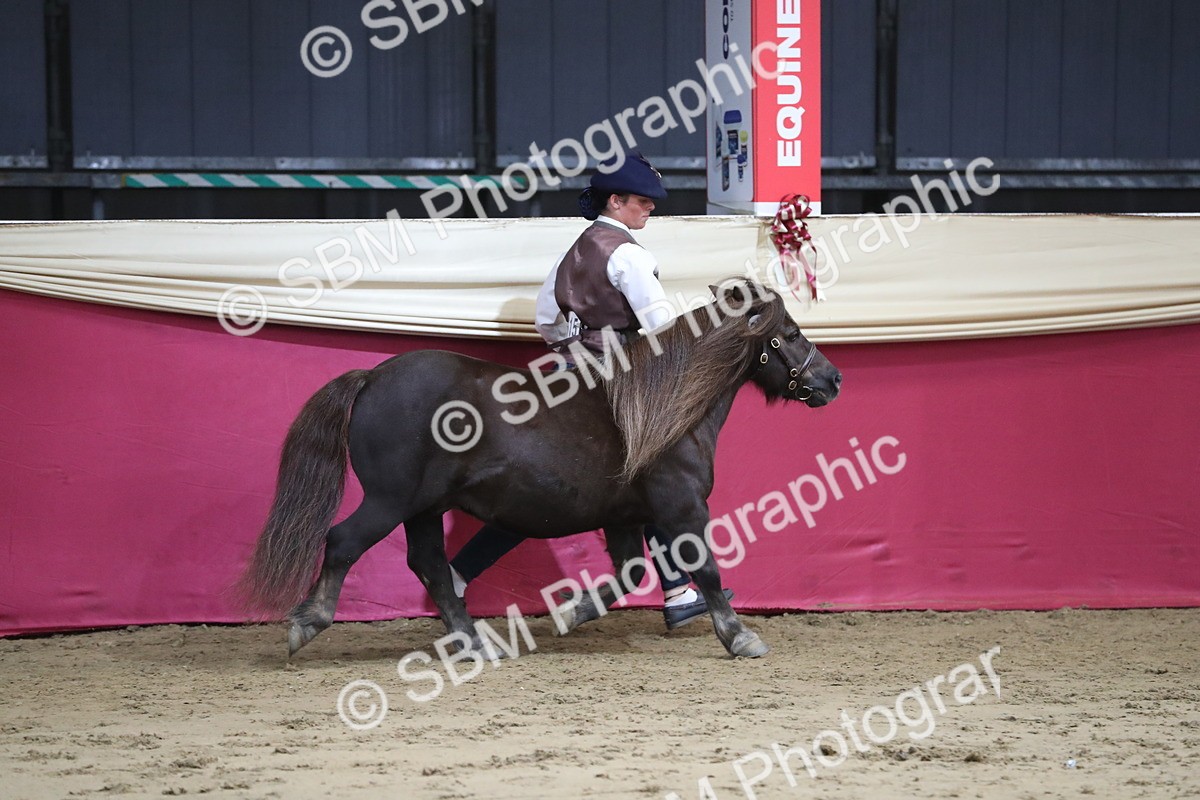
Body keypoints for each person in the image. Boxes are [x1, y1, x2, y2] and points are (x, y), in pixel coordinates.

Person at [448, 150, 732, 630]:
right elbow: (661, 327)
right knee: (660, 477)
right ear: (616, 201)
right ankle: (680, 590)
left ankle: (678, 590)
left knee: (544, 491)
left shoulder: (573, 250)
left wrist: (574, 351)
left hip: (566, 378)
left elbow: (546, 317)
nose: (650, 209)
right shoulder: (630, 256)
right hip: (619, 383)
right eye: (643, 201)